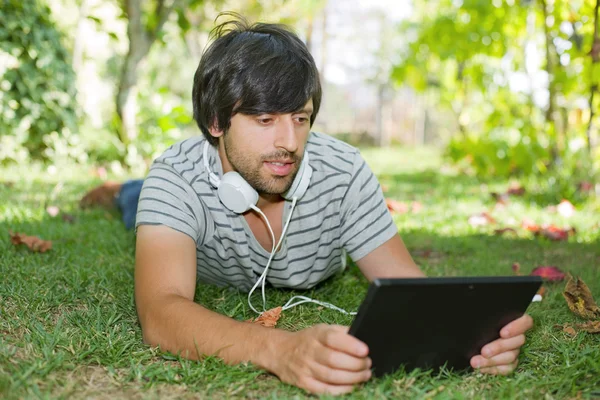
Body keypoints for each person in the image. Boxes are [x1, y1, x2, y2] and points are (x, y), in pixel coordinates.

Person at [107, 14, 533, 396]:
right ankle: (117, 191)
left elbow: (407, 286)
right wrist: (280, 350)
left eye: (300, 118)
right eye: (264, 119)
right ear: (217, 122)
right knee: (134, 202)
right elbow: (160, 312)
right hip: (163, 198)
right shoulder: (175, 176)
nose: (289, 144)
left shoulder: (344, 171)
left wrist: (477, 336)